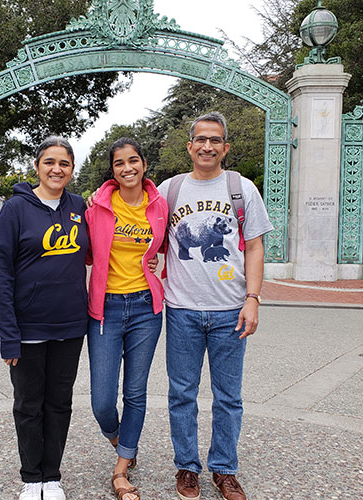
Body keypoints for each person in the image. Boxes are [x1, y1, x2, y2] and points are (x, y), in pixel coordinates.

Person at [157, 112, 272, 500]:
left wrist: (252, 299)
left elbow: (255, 247)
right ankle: (187, 467)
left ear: (225, 147)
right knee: (182, 394)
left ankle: (224, 469)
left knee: (228, 396)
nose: (207, 146)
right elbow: (140, 227)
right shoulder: (170, 190)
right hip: (182, 309)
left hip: (230, 310)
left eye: (215, 140)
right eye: (200, 139)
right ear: (189, 146)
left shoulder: (242, 189)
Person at [0, 136, 88, 500]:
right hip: (28, 327)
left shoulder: (79, 207)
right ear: (37, 167)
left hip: (71, 326)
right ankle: (32, 478)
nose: (56, 169)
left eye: (64, 163)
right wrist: (7, 334)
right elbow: (0, 274)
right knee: (29, 405)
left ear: (72, 169)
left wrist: (150, 255)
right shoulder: (16, 209)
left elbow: (108, 244)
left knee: (60, 403)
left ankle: (52, 476)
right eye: (49, 162)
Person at [85, 138, 168, 500]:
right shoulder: (97, 206)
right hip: (105, 307)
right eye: (119, 164)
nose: (127, 168)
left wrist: (157, 262)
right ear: (113, 170)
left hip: (146, 309)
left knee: (135, 392)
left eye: (133, 161)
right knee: (102, 400)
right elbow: (83, 252)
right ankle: (119, 438)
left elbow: (166, 245)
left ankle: (121, 469)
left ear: (144, 164)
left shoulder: (161, 205)